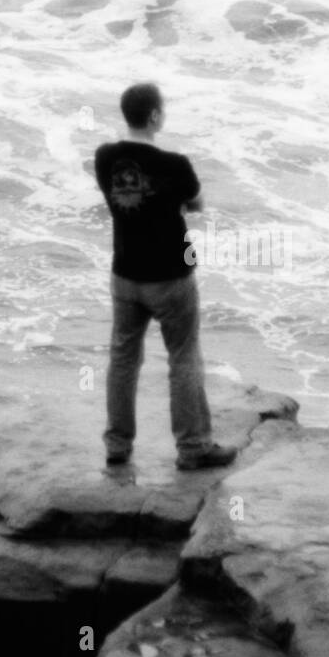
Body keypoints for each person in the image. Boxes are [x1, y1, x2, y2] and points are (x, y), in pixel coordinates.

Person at [93, 83, 238, 471]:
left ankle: (117, 445)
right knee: (184, 357)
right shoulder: (176, 164)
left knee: (123, 359)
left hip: (124, 274)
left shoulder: (105, 157)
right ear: (155, 116)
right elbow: (197, 202)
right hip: (171, 276)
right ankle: (193, 448)